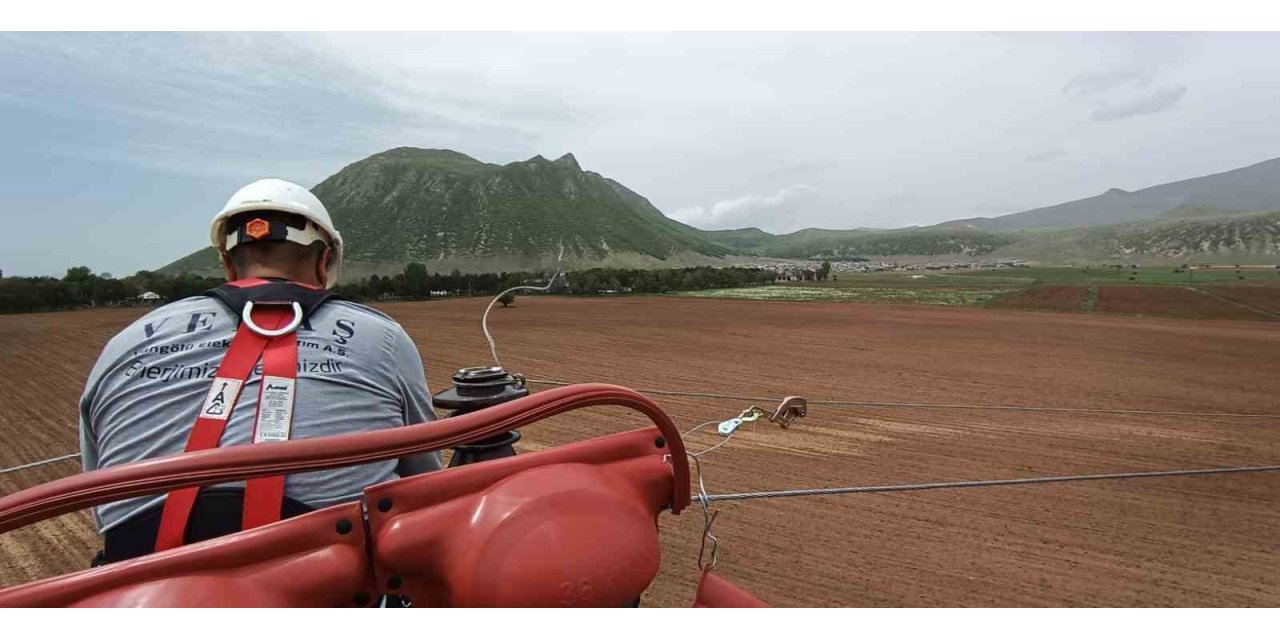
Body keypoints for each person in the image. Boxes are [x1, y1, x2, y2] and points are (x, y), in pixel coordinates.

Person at [78, 178, 441, 562]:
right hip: (328, 581)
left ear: (227, 264)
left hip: (141, 587)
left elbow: (101, 489)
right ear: (325, 260)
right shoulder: (381, 335)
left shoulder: (125, 342)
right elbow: (424, 480)